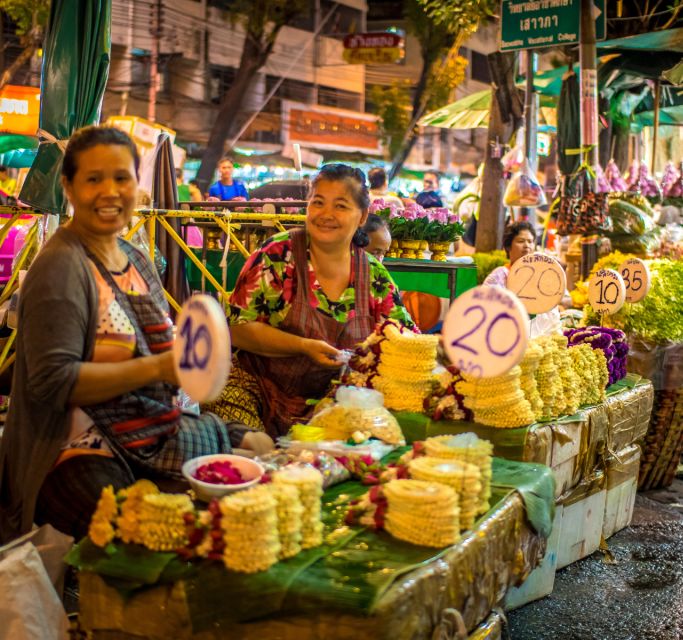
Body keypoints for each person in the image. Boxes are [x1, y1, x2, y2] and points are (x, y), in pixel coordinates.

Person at [0, 126, 273, 542]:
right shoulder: (61, 267)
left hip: (150, 426)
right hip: (74, 447)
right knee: (157, 535)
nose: (110, 191)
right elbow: (53, 383)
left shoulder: (136, 260)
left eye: (122, 178)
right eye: (94, 179)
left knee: (262, 449)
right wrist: (161, 366)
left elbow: (170, 361)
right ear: (69, 187)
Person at [203, 164, 415, 438]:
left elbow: (401, 338)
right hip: (253, 388)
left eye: (340, 206)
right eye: (318, 202)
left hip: (333, 403)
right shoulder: (277, 255)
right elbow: (237, 329)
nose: (326, 215)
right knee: (246, 447)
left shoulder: (373, 275)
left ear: (362, 216)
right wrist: (302, 346)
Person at [483, 221, 568, 337]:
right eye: (521, 241)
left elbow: (568, 299)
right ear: (508, 246)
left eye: (530, 241)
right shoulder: (499, 276)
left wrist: (552, 299)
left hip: (541, 340)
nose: (527, 245)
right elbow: (486, 305)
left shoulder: (544, 272)